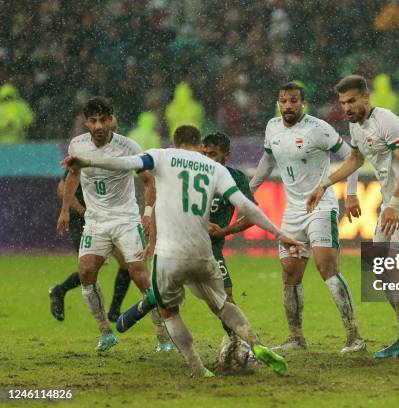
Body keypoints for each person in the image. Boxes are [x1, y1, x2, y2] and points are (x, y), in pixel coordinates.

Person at [63, 124, 304, 378]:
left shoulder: (162, 156)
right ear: (200, 145)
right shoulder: (215, 168)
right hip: (203, 252)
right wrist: (281, 235)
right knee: (223, 304)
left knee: (169, 312)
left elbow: (124, 163)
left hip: (169, 256)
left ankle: (200, 370)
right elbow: (247, 207)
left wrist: (86, 161)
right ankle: (256, 344)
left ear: (174, 142)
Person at [308, 75, 399, 359]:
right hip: (394, 201)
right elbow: (355, 160)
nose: (347, 107)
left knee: (395, 265)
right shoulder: (355, 126)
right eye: (342, 103)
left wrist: (394, 203)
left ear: (366, 97)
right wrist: (325, 184)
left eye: (352, 101)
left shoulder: (386, 121)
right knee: (377, 264)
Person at [250, 82, 365, 353]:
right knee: (290, 273)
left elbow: (352, 156)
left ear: (303, 103)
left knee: (327, 268)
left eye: (293, 101)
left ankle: (354, 337)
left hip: (321, 206)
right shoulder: (272, 127)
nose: (287, 105)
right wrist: (247, 191)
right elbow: (267, 162)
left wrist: (350, 194)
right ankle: (296, 338)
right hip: (292, 211)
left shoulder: (318, 128)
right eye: (283, 101)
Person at [56, 97, 168, 352]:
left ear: (112, 120)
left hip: (126, 219)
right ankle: (106, 332)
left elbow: (149, 182)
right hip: (95, 220)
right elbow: (74, 175)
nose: (98, 125)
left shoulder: (128, 147)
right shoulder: (77, 145)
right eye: (93, 120)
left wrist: (148, 212)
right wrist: (65, 209)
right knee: (85, 271)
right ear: (86, 122)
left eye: (103, 120)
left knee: (139, 275)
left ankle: (162, 333)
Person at [50, 115, 132, 323]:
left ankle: (114, 310)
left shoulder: (116, 152)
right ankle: (59, 290)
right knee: (92, 268)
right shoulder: (85, 152)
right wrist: (80, 210)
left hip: (106, 217)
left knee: (127, 263)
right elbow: (62, 187)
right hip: (85, 219)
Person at [202, 132, 256, 334]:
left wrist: (224, 230)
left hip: (211, 248)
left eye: (213, 154)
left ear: (227, 155)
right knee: (164, 298)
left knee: (226, 297)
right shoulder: (191, 174)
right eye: (204, 154)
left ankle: (237, 343)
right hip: (182, 244)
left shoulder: (235, 179)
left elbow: (251, 216)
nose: (208, 159)